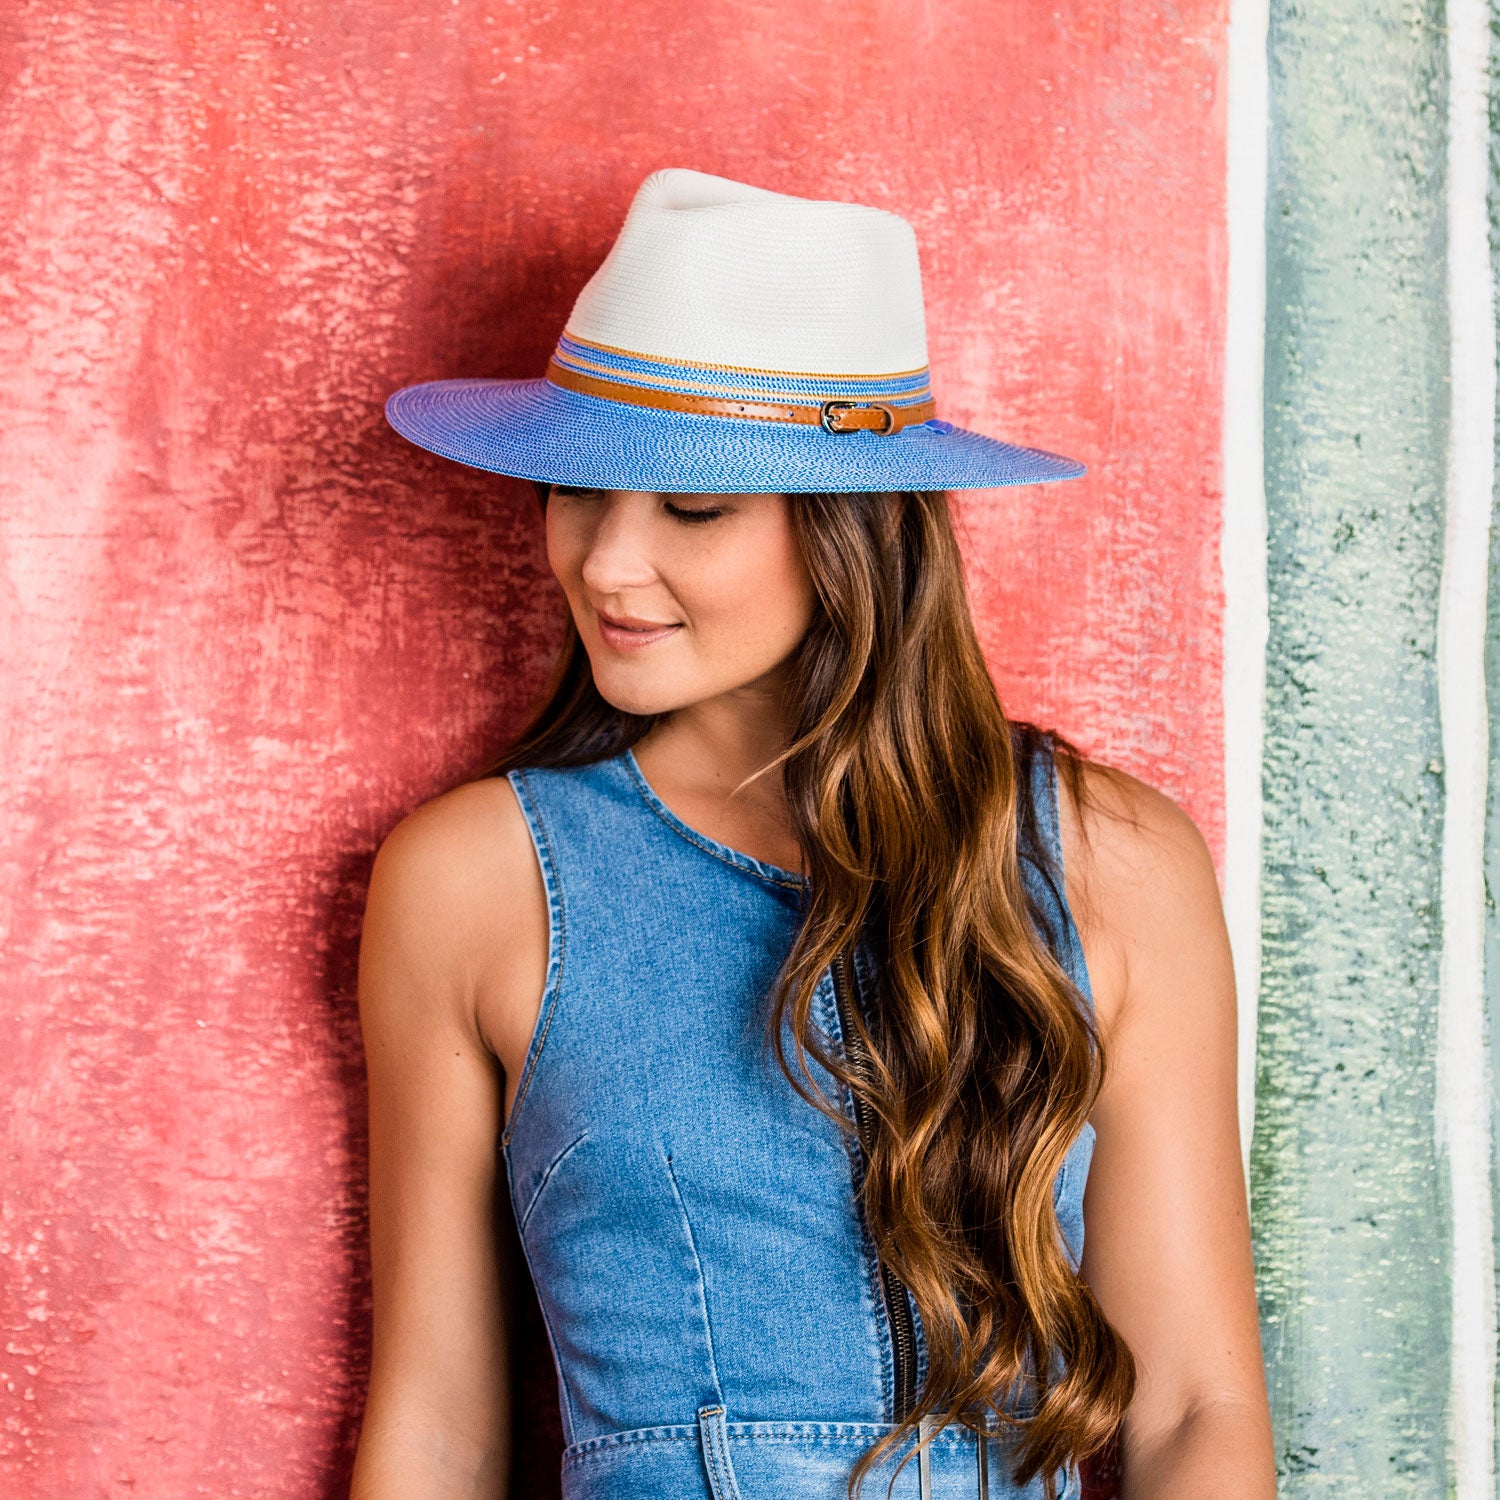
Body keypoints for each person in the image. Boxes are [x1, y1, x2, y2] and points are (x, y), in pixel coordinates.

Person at [349, 168, 1275, 1500]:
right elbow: (436, 1431)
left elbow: (1198, 1406)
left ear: (855, 529)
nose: (604, 564)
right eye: (572, 489)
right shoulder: (473, 881)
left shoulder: (1110, 864)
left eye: (693, 508)